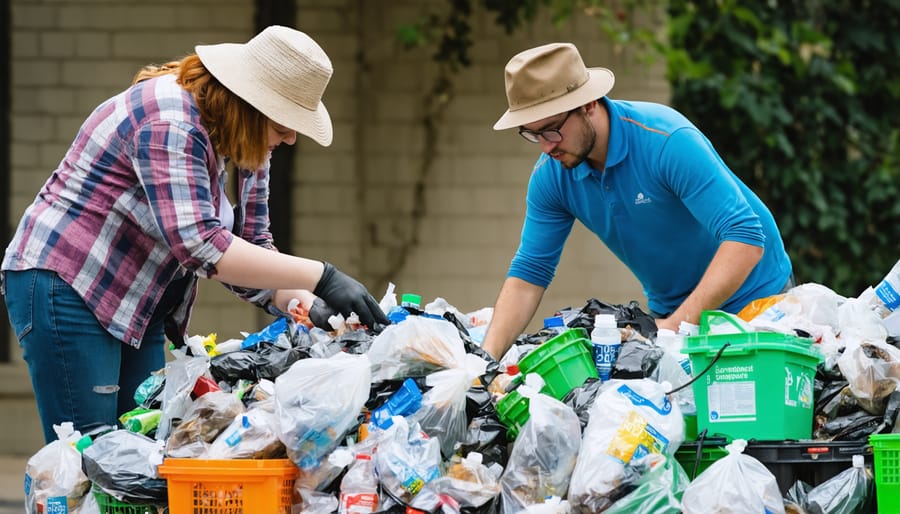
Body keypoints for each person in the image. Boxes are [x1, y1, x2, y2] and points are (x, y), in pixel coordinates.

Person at [1, 26, 389, 443]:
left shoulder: (250, 139)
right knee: (88, 457)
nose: (292, 137)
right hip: (69, 284)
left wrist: (303, 302)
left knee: (142, 448)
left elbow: (253, 248)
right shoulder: (170, 118)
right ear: (253, 105)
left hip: (137, 303)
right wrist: (322, 275)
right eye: (286, 123)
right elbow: (203, 246)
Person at [481, 42, 793, 360]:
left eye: (551, 130)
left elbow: (745, 237)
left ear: (587, 104)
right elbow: (529, 274)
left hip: (755, 301)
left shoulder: (666, 141)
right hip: (674, 314)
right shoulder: (552, 176)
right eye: (532, 134)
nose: (546, 148)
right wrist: (482, 362)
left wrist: (674, 326)